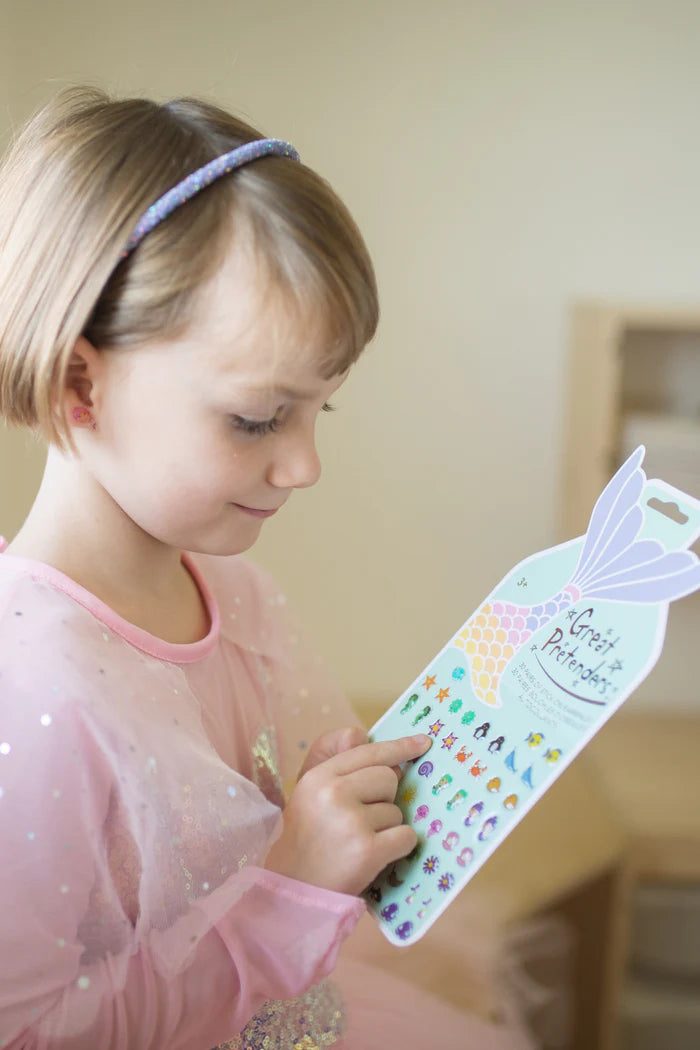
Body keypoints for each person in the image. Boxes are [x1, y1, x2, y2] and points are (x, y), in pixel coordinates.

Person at [0, 86, 539, 1049]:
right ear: (83, 382)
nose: (304, 466)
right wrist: (287, 882)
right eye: (257, 418)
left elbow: (274, 810)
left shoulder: (240, 596)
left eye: (317, 411)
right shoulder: (29, 689)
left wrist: (336, 807)